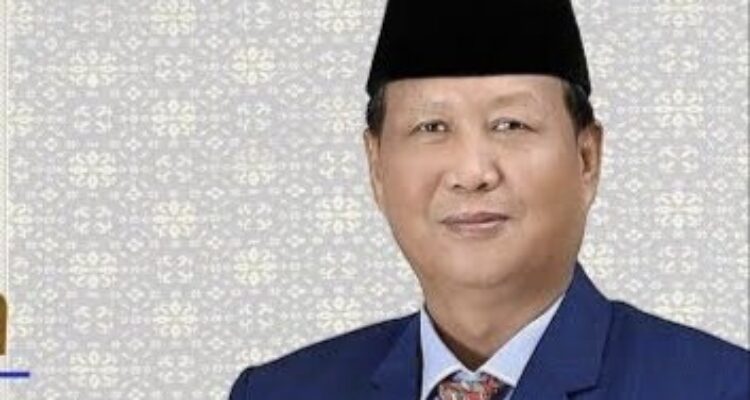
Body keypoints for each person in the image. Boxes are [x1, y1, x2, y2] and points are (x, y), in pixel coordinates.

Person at [229, 0, 749, 398]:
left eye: (510, 124)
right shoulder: (280, 392)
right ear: (376, 166)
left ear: (586, 158)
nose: (472, 173)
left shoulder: (721, 387)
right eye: (432, 127)